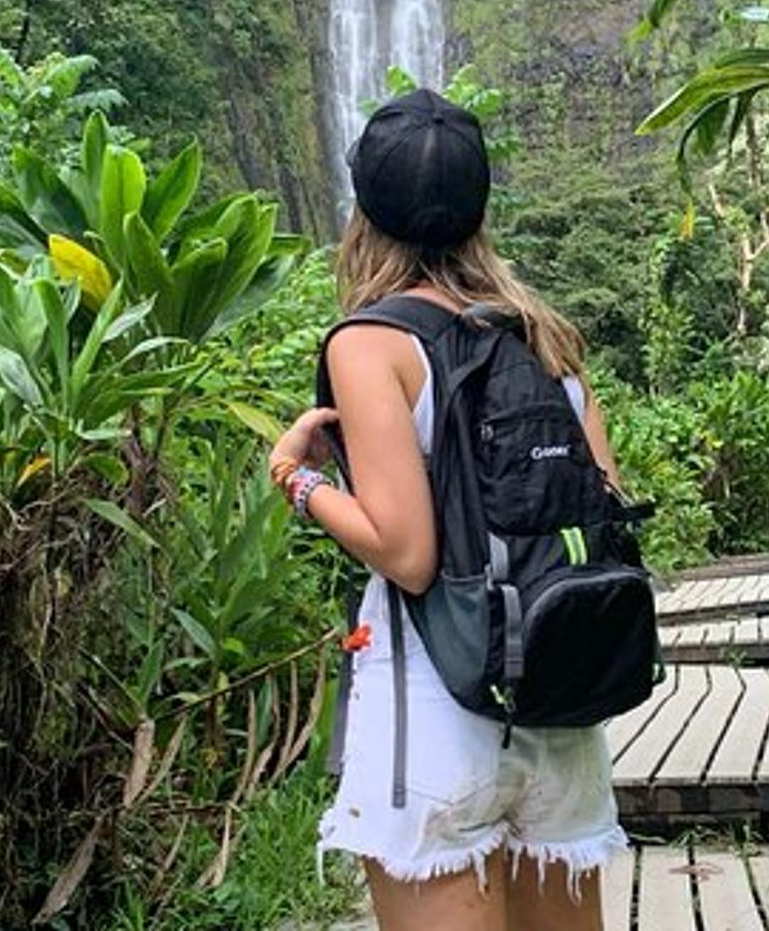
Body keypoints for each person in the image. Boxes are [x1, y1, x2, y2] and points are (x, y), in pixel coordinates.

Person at [267, 89, 628, 931]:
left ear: (364, 212)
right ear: (479, 211)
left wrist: (299, 477)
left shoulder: (369, 342)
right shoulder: (544, 339)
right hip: (556, 703)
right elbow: (602, 507)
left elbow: (406, 551)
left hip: (437, 710)